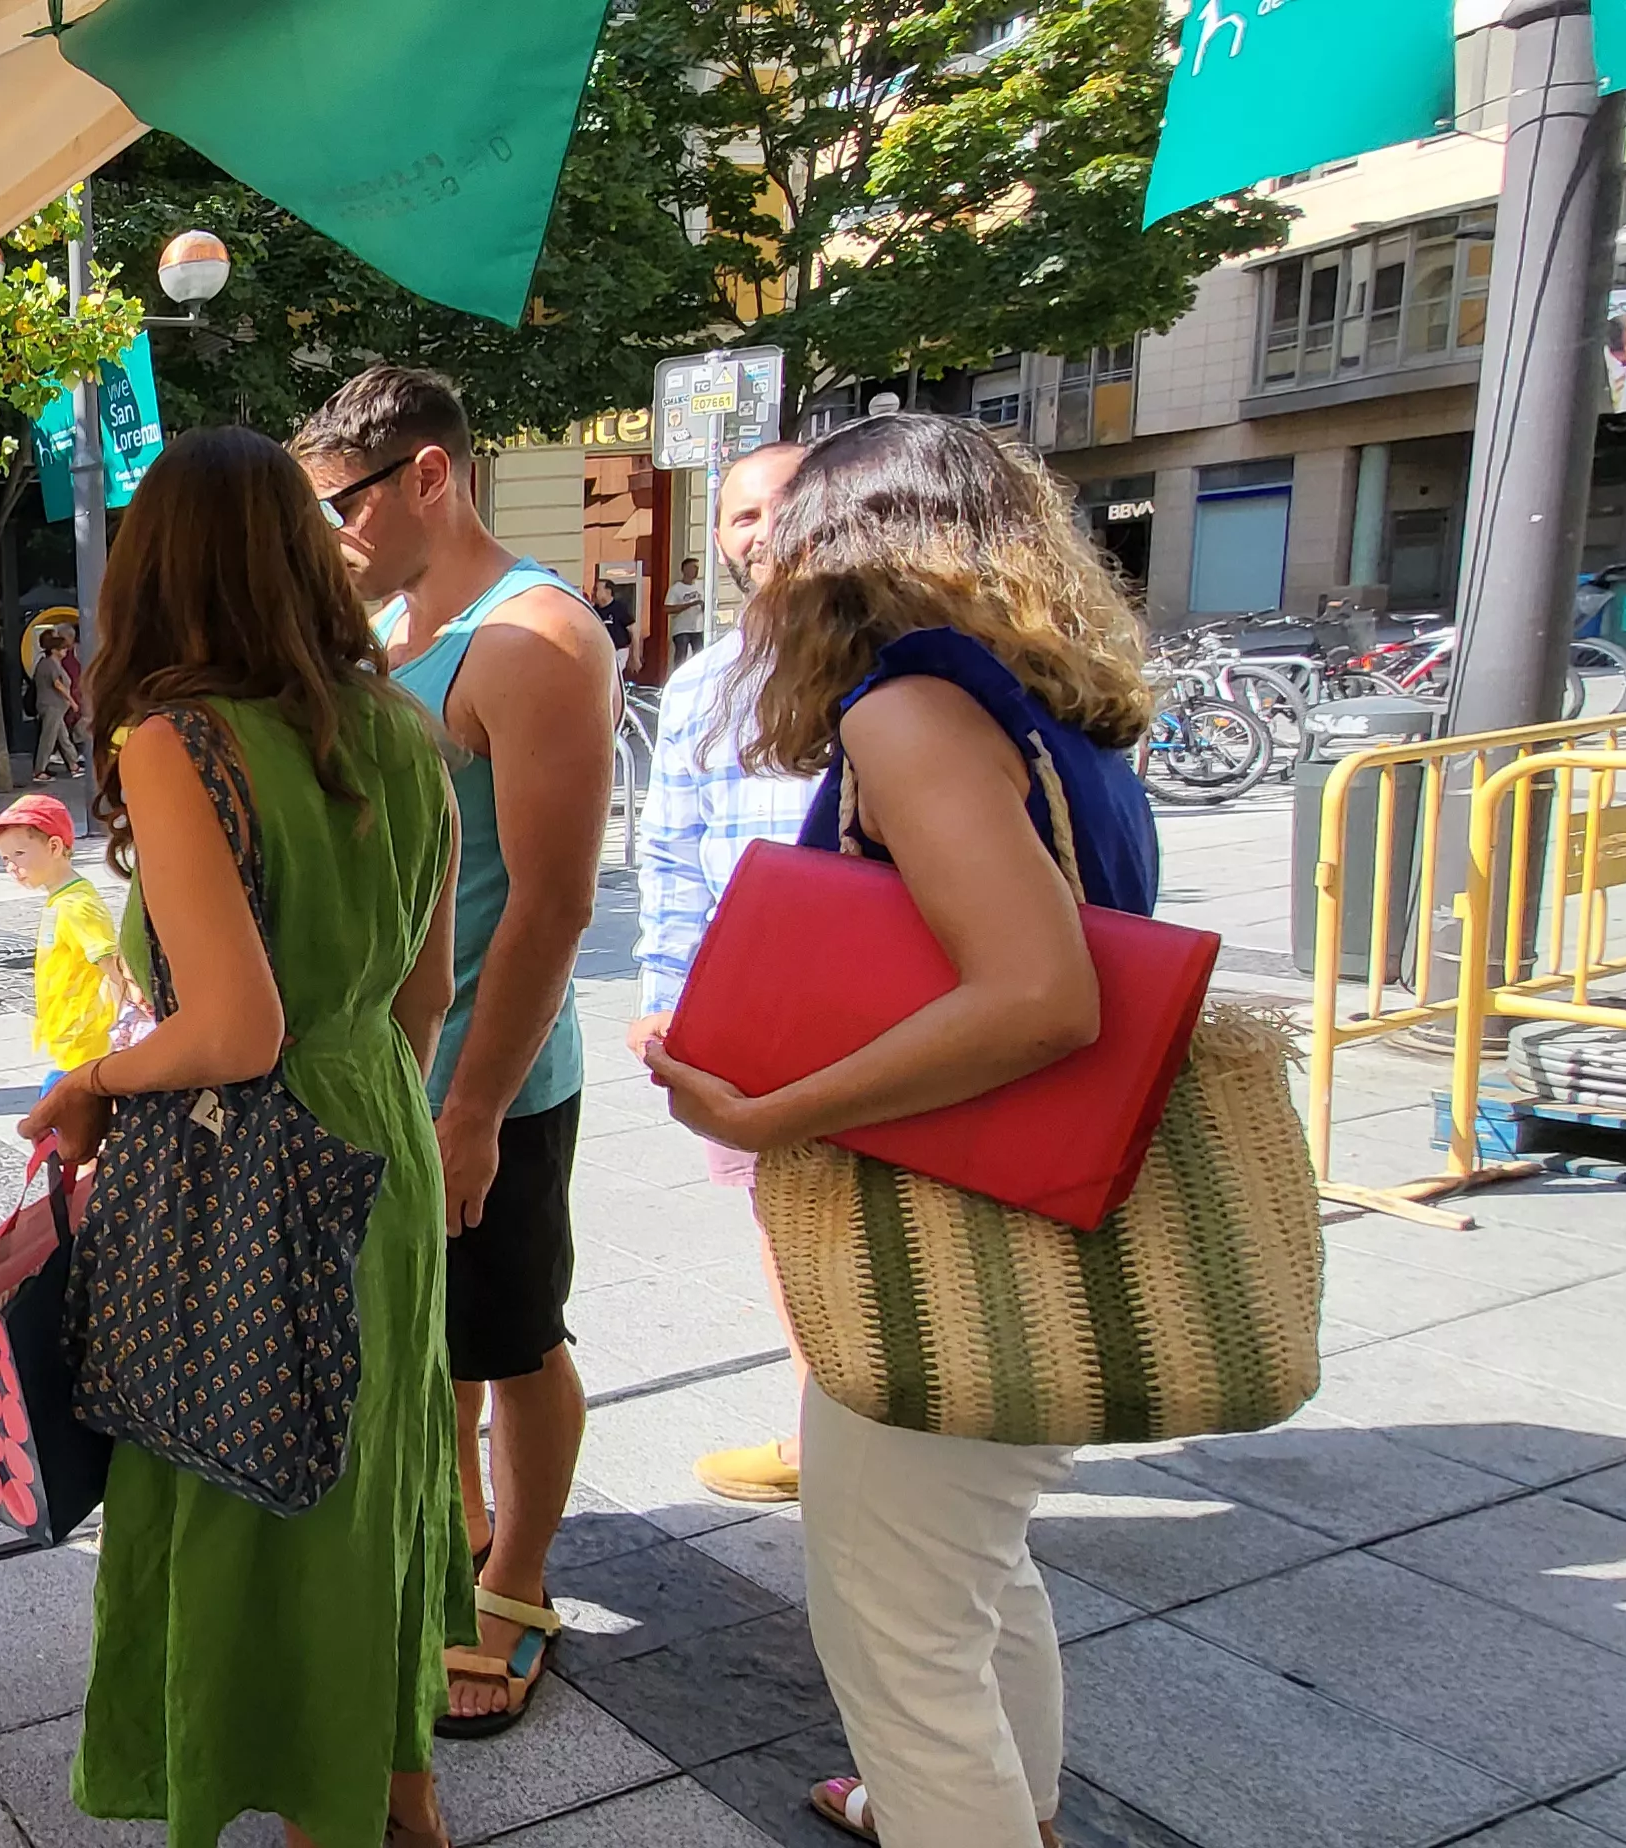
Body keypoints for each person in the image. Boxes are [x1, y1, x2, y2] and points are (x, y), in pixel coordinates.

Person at [640, 414, 1160, 1848]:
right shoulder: (1047, 694)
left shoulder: (913, 701)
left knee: (898, 1628)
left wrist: (773, 1107)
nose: (774, 559)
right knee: (970, 1573)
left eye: (799, 528)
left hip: (946, 1218)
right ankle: (1025, 1814)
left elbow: (1037, 995)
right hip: (1033, 1202)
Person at [17, 427, 465, 1848]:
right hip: (379, 1135)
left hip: (246, 1170)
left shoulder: (179, 739)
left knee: (237, 1481)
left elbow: (232, 1030)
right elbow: (427, 990)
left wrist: (96, 1077)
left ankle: (280, 1793)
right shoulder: (402, 724)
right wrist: (373, 1123)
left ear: (158, 570)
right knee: (366, 1475)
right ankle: (394, 1802)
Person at [296, 366, 612, 1739]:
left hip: (495, 1068)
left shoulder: (532, 634)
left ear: (432, 473)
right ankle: (463, 1534)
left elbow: (554, 900)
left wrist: (478, 1103)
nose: (333, 535)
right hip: (389, 1062)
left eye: (343, 504)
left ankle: (520, 1584)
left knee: (510, 1331)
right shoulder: (388, 619)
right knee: (424, 1343)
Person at [632, 442, 825, 1507]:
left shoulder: (900, 665)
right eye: (742, 516)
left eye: (784, 505)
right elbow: (669, 854)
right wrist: (667, 997)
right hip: (749, 1015)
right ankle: (816, 1427)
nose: (762, 531)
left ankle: (916, 1432)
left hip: (883, 1013)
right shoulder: (707, 680)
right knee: (781, 1225)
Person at [0, 791, 126, 1091]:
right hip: (70, 1035)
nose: (11, 866)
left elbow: (113, 966)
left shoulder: (77, 904)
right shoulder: (59, 900)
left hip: (89, 1039)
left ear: (54, 846)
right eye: (4, 859)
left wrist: (123, 1031)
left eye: (19, 854)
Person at [30, 624, 86, 778]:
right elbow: (58, 684)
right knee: (48, 739)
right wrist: (72, 701)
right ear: (54, 650)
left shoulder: (50, 663)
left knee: (63, 738)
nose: (65, 651)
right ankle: (39, 770)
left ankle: (73, 764)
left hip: (56, 707)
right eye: (63, 649)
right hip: (52, 706)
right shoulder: (50, 664)